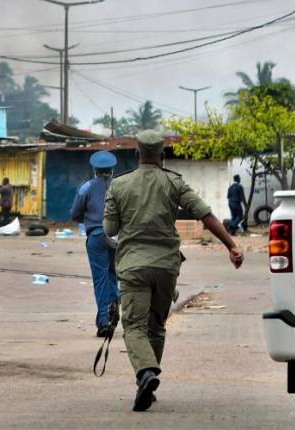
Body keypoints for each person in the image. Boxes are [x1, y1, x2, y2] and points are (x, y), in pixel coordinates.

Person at [104, 130, 244, 412]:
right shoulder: (174, 183)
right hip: (167, 267)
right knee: (156, 325)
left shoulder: (119, 186)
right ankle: (148, 379)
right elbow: (206, 216)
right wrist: (232, 246)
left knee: (133, 325)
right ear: (163, 156)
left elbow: (110, 230)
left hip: (133, 266)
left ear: (136, 155)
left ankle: (144, 372)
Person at [70, 150, 120, 337]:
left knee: (100, 278)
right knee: (113, 273)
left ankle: (104, 321)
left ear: (95, 169)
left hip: (96, 235)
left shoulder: (87, 187)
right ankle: (114, 301)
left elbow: (75, 213)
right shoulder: (120, 187)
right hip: (117, 237)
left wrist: (88, 216)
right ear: (112, 170)